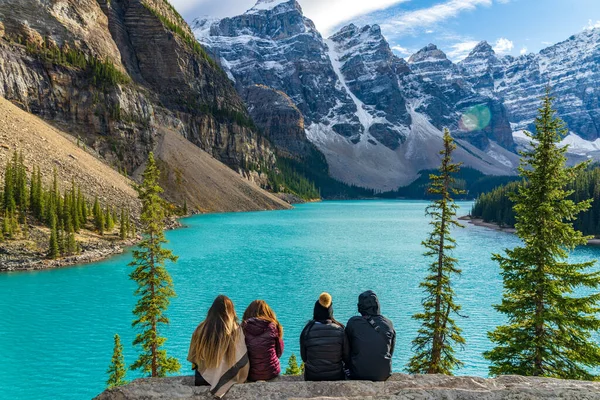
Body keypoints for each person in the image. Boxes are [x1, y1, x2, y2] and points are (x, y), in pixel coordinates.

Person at [187, 295, 249, 398]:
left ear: (211, 310)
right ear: (231, 311)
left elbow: (193, 358)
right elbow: (242, 359)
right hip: (230, 378)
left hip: (202, 379)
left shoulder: (200, 328)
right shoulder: (236, 330)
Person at [345, 290, 396, 381]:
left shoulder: (353, 322)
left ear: (360, 307)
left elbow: (346, 350)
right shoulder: (388, 324)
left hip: (358, 374)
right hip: (383, 374)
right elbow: (390, 351)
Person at [300, 292, 349, 381]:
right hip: (336, 376)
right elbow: (346, 357)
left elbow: (304, 357)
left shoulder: (307, 330)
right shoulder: (340, 330)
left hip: (312, 376)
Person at [242, 300, 285, 381]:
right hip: (271, 372)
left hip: (249, 373)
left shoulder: (242, 328)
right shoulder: (273, 327)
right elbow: (279, 352)